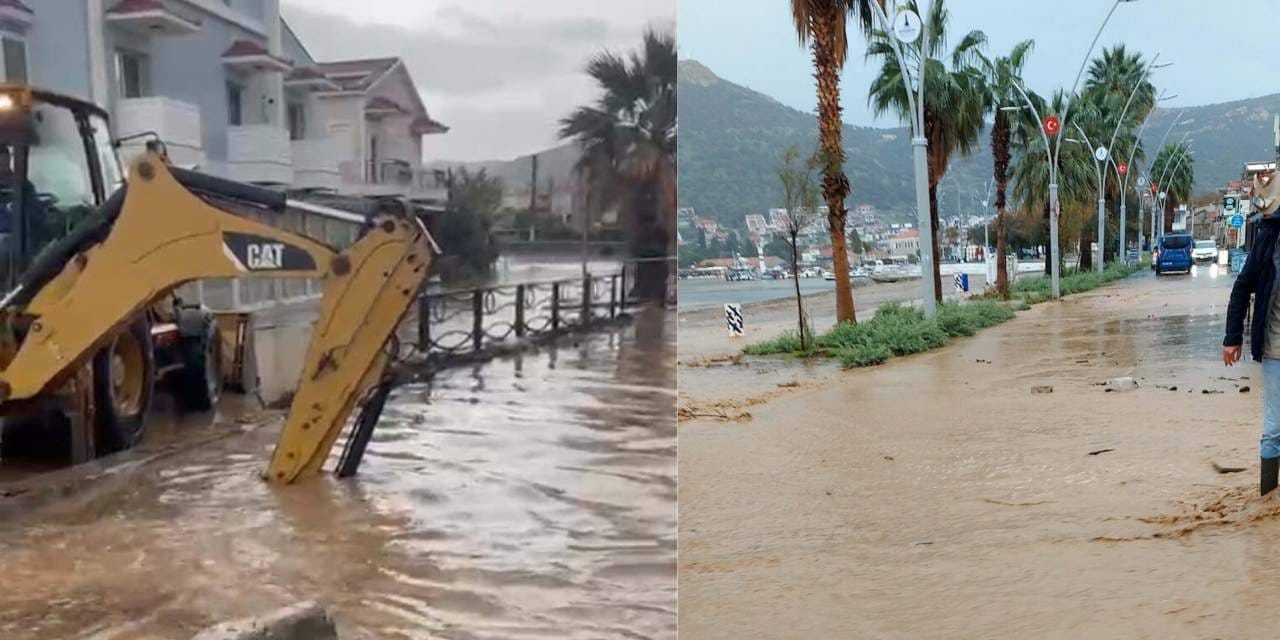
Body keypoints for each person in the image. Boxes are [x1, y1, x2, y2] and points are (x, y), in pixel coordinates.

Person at [1224, 171, 1280, 495]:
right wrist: (1232, 338)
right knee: (1274, 430)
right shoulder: (1268, 238)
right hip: (1276, 348)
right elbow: (1243, 287)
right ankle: (1267, 499)